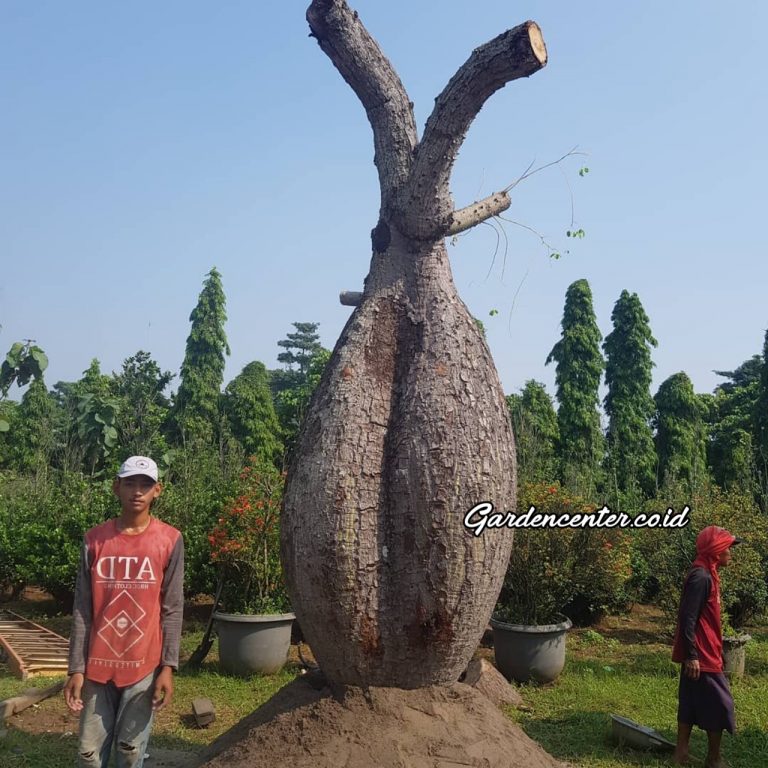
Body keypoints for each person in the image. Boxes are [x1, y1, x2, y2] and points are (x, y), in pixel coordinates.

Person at [64, 456, 184, 768]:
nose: (137, 491)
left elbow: (172, 608)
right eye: (129, 482)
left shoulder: (170, 540)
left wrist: (168, 667)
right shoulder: (94, 540)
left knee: (130, 750)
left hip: (143, 664)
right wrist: (76, 668)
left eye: (145, 484)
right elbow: (82, 607)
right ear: (116, 487)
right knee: (88, 755)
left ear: (157, 490)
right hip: (97, 666)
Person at [672, 525, 742, 768]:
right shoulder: (701, 577)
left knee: (690, 700)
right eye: (727, 548)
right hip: (701, 655)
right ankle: (713, 760)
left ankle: (680, 755)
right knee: (721, 704)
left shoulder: (707, 573)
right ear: (716, 551)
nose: (730, 553)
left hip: (705, 650)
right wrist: (692, 655)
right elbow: (687, 617)